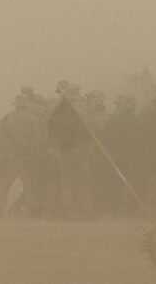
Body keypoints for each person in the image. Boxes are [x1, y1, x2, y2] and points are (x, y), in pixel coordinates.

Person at [0, 94, 46, 217]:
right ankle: (33, 209)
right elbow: (36, 140)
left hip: (11, 158)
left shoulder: (7, 118)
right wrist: (33, 155)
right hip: (24, 159)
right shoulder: (32, 119)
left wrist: (1, 154)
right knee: (29, 184)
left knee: (4, 185)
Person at [48, 85, 94, 220]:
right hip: (69, 152)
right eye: (72, 101)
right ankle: (72, 211)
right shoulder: (60, 115)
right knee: (70, 182)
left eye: (74, 100)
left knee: (81, 181)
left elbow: (88, 133)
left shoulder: (79, 113)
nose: (74, 103)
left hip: (77, 151)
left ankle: (83, 210)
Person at [101, 94, 141, 215]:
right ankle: (124, 208)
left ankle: (117, 207)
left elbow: (106, 138)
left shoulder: (116, 119)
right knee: (125, 181)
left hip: (120, 155)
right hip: (127, 155)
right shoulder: (135, 120)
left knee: (118, 181)